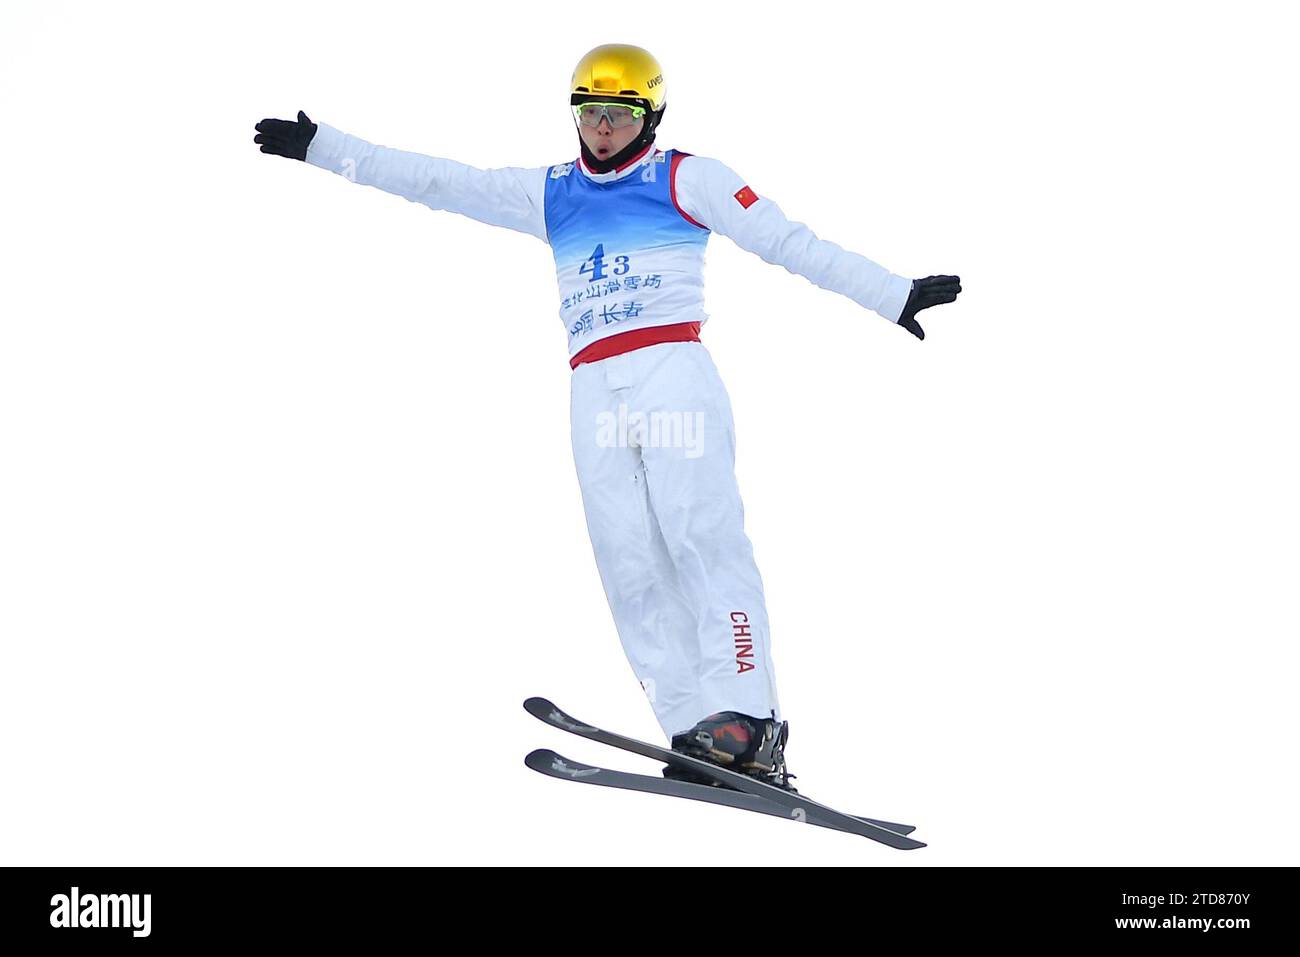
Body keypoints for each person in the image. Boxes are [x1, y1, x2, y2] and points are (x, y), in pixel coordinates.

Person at [254, 43, 961, 792]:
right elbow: (440, 182)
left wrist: (892, 293)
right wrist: (326, 149)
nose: (600, 128)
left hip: (669, 372)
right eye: (589, 113)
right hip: (593, 385)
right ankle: (697, 731)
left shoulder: (689, 176)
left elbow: (787, 242)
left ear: (648, 114)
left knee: (700, 534)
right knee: (628, 556)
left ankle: (751, 719)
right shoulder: (551, 190)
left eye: (618, 115)